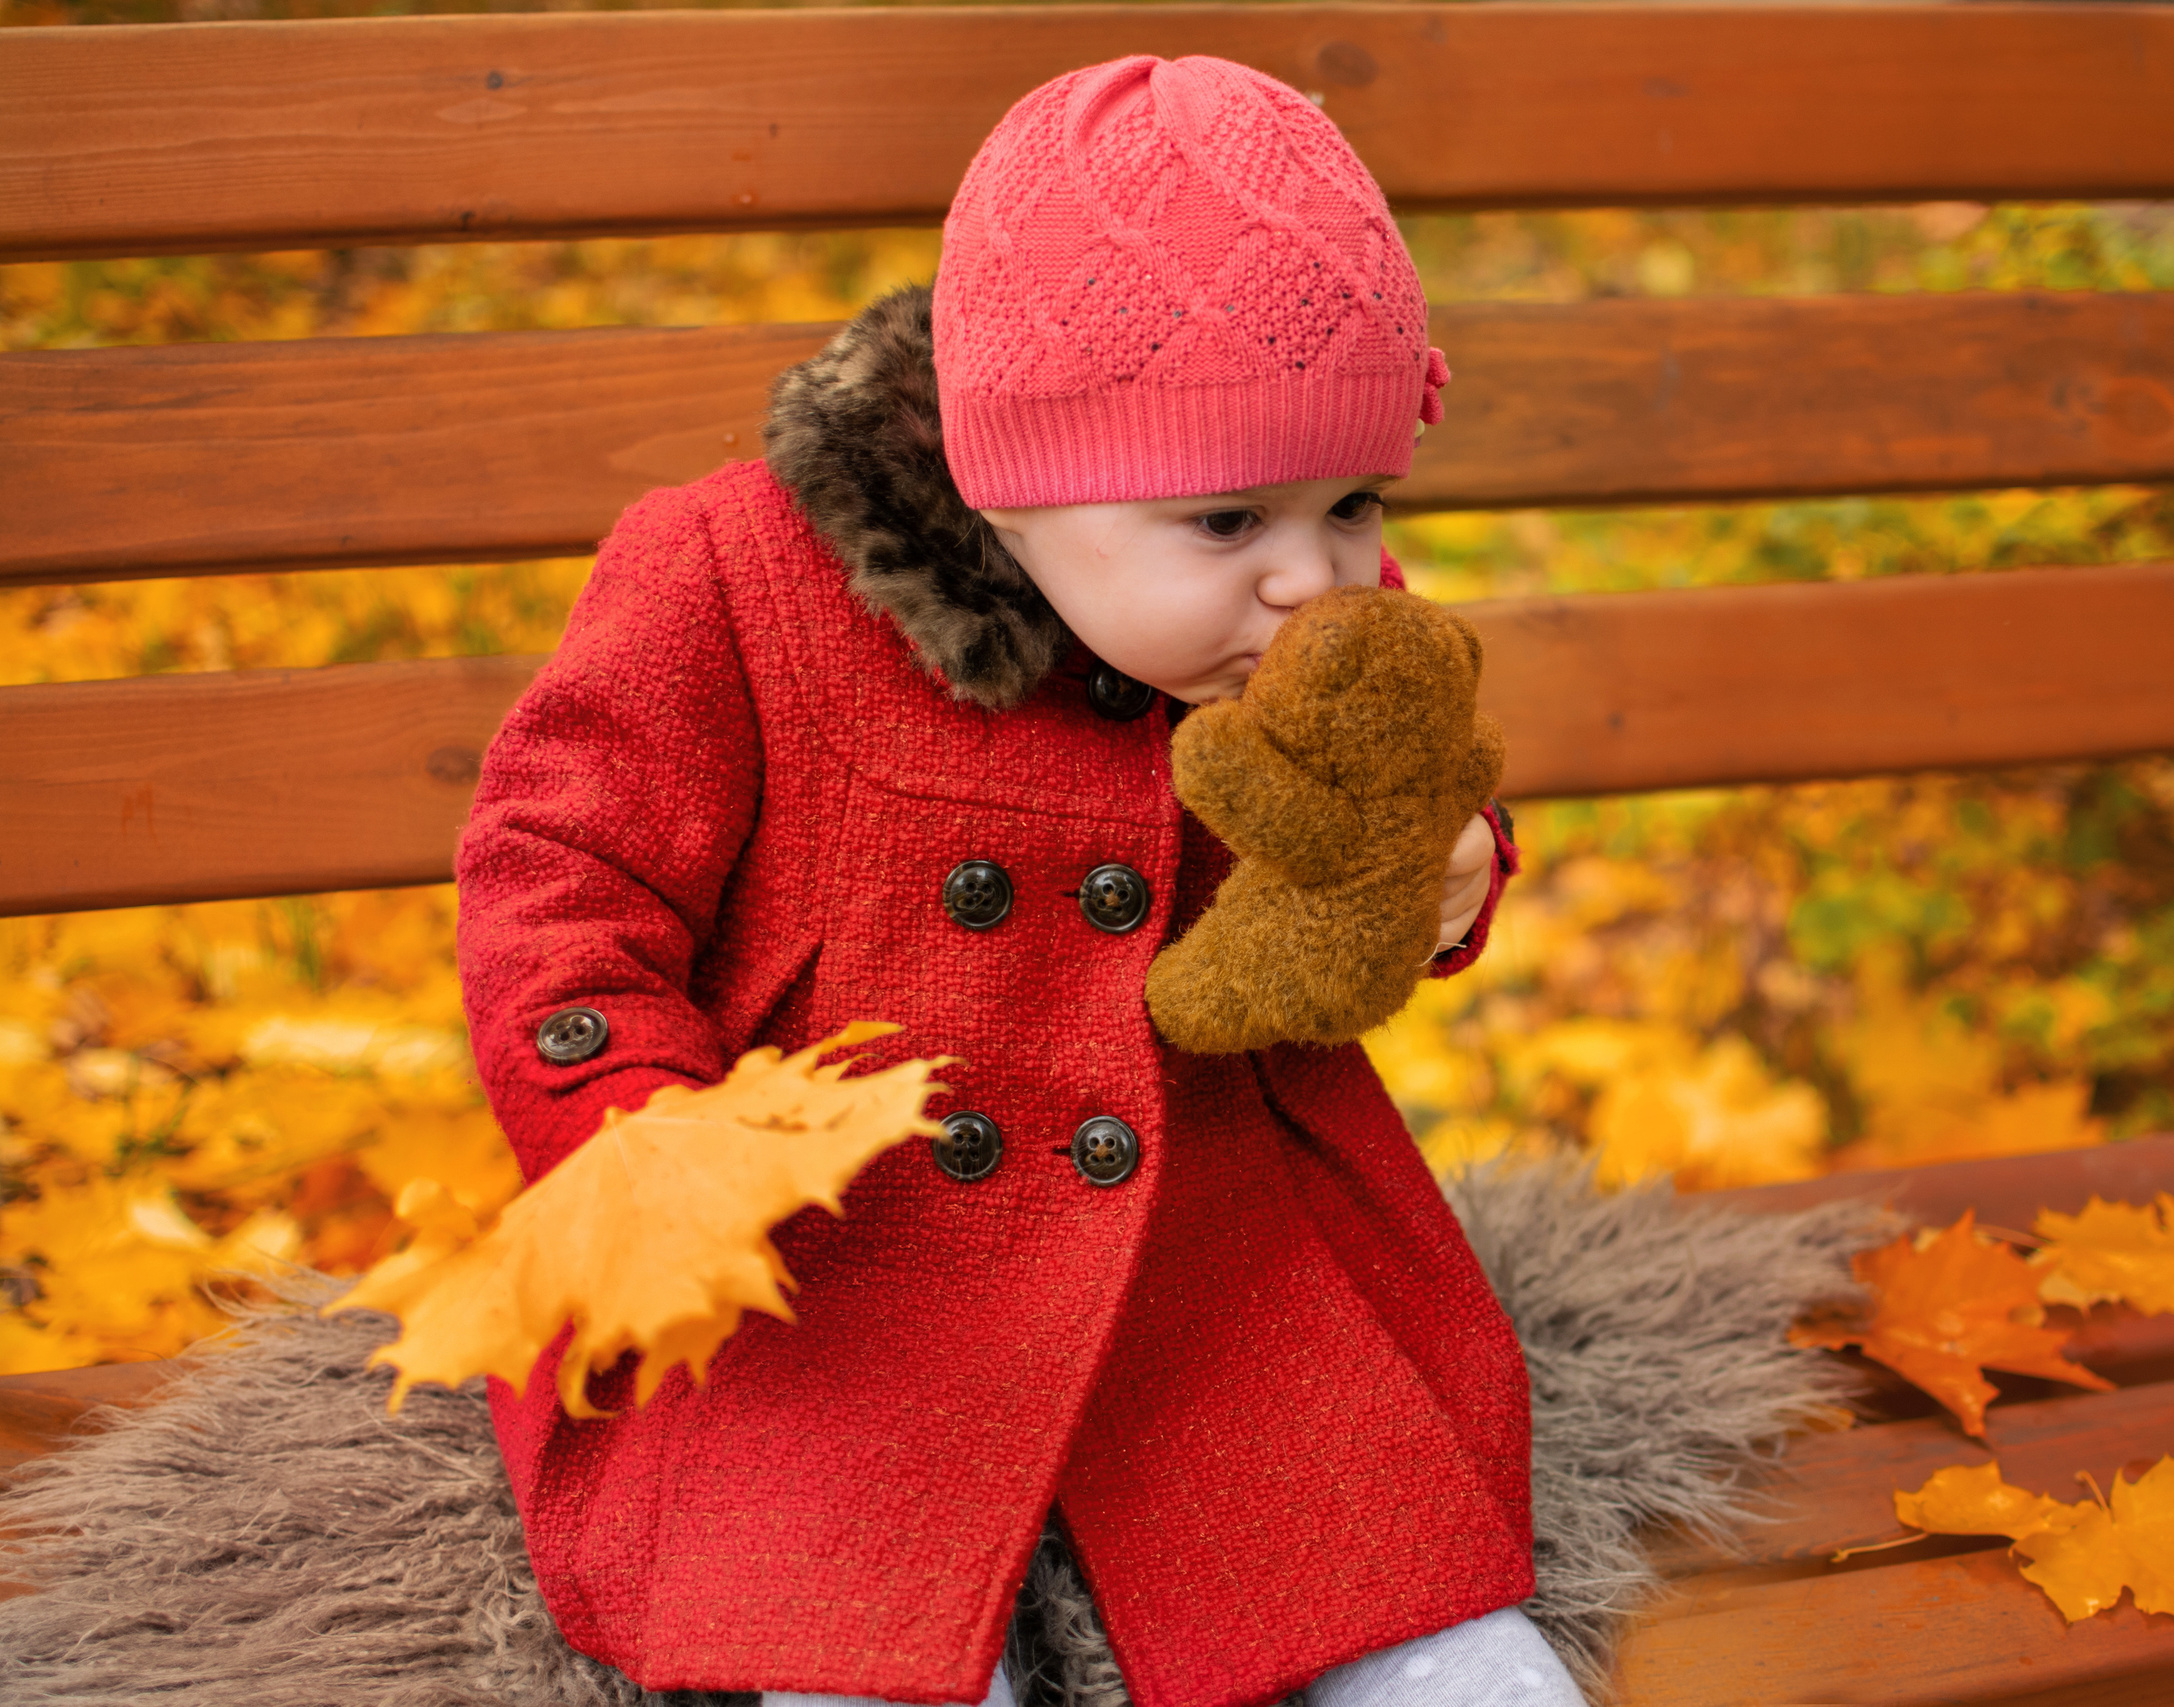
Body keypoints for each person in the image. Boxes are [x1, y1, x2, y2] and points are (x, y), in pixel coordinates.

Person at [455, 54, 1574, 1707]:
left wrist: (1441, 870)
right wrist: (637, 1133)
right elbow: (561, 870)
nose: (1313, 577)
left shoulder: (1294, 618)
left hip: (1207, 1214)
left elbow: (1367, 836)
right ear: (1009, 475)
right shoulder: (729, 575)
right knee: (843, 1627)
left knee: (1412, 1611)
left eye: (1354, 503)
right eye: (1225, 517)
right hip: (832, 1237)